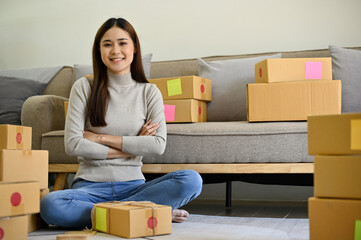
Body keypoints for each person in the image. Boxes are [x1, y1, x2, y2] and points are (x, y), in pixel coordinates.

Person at [40, 17, 203, 229]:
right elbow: (73, 145)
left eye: (122, 43)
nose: (115, 50)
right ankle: (141, 211)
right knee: (50, 205)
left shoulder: (149, 91)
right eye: (107, 44)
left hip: (134, 187)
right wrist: (134, 145)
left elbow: (158, 145)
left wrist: (99, 137)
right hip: (89, 189)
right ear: (99, 50)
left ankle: (119, 213)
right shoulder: (83, 87)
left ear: (134, 47)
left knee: (191, 180)